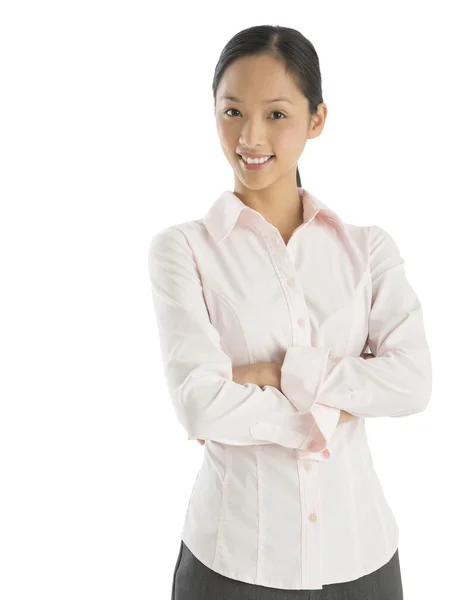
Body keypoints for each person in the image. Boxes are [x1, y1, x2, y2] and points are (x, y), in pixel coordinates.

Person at [147, 24, 432, 600]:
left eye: (276, 114)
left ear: (317, 120)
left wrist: (275, 375)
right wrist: (341, 399)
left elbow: (411, 383)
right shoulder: (183, 249)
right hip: (233, 563)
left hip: (363, 560)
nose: (249, 136)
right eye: (232, 112)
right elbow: (200, 405)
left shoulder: (368, 249)